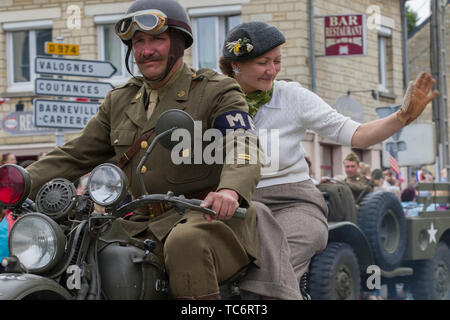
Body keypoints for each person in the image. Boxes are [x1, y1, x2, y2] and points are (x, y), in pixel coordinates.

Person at [25, 0, 263, 300]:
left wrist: (230, 190)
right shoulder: (120, 101)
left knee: (185, 243)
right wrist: (17, 182)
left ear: (178, 43)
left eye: (156, 40)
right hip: (137, 223)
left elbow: (243, 143)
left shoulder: (215, 90)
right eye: (138, 42)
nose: (145, 50)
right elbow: (74, 155)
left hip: (208, 220)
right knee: (70, 248)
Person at [219, 21, 439, 299]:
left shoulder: (292, 96)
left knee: (280, 254)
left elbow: (355, 134)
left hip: (293, 201)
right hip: (235, 203)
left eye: (277, 61)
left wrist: (400, 118)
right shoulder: (212, 97)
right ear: (235, 64)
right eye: (263, 62)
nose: (273, 70)